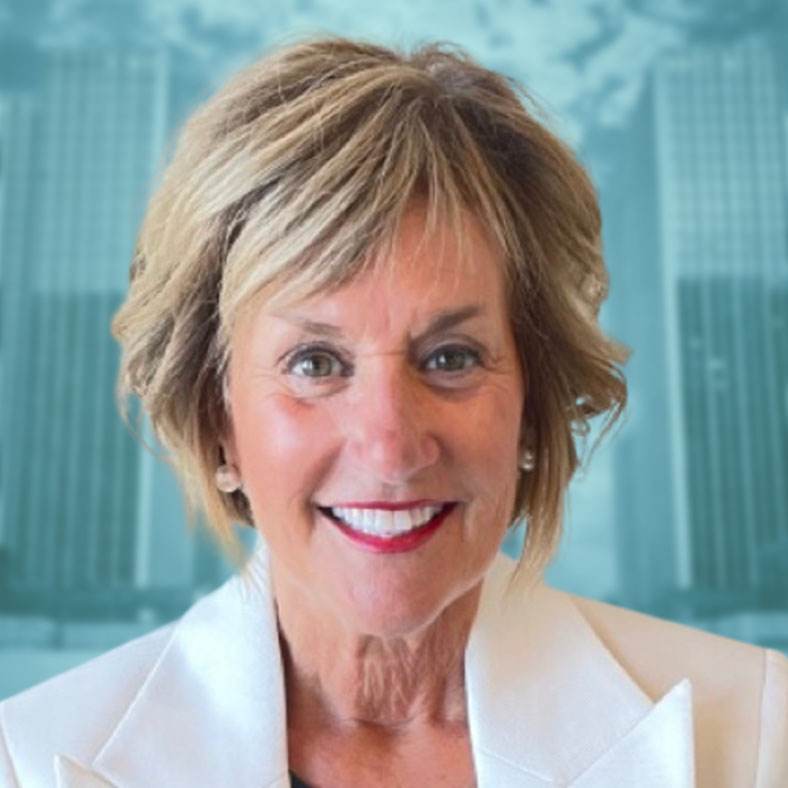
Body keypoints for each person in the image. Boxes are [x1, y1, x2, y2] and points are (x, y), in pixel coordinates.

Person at [0, 36, 785, 788]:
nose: (390, 448)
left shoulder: (759, 734)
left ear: (533, 404)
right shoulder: (25, 764)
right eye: (315, 363)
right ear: (218, 419)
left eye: (451, 358)